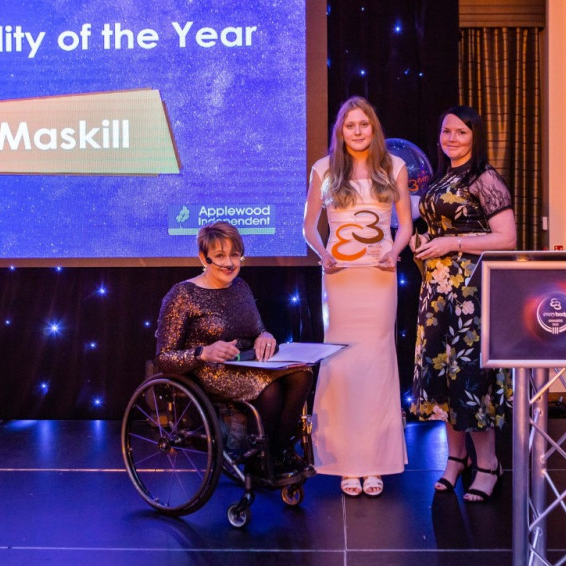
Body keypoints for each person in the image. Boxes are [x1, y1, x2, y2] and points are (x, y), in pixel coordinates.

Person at [303, 95, 413, 498]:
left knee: (377, 363)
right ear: (340, 130)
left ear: (373, 127)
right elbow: (309, 227)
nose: (358, 131)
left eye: (363, 124)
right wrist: (323, 254)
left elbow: (405, 227)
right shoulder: (325, 169)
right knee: (343, 362)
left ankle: (376, 462)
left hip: (379, 277)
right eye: (350, 125)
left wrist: (395, 251)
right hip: (341, 279)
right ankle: (345, 461)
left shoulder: (393, 167)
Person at [409, 105, 516, 503]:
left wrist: (452, 242)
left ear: (475, 137)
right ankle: (456, 460)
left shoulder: (484, 178)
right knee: (442, 378)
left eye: (461, 132)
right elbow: (438, 229)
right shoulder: (443, 179)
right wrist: (425, 243)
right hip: (437, 295)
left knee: (470, 379)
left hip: (471, 295)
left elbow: (507, 238)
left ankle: (488, 464)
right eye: (446, 131)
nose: (451, 138)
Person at [154, 221, 313, 475]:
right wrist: (203, 352)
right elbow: (164, 358)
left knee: (302, 373)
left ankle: (279, 450)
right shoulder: (182, 294)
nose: (229, 263)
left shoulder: (240, 287)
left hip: (247, 361)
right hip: (209, 371)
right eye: (220, 256)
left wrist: (265, 335)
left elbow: (258, 329)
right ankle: (258, 461)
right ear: (203, 258)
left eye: (235, 255)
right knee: (269, 389)